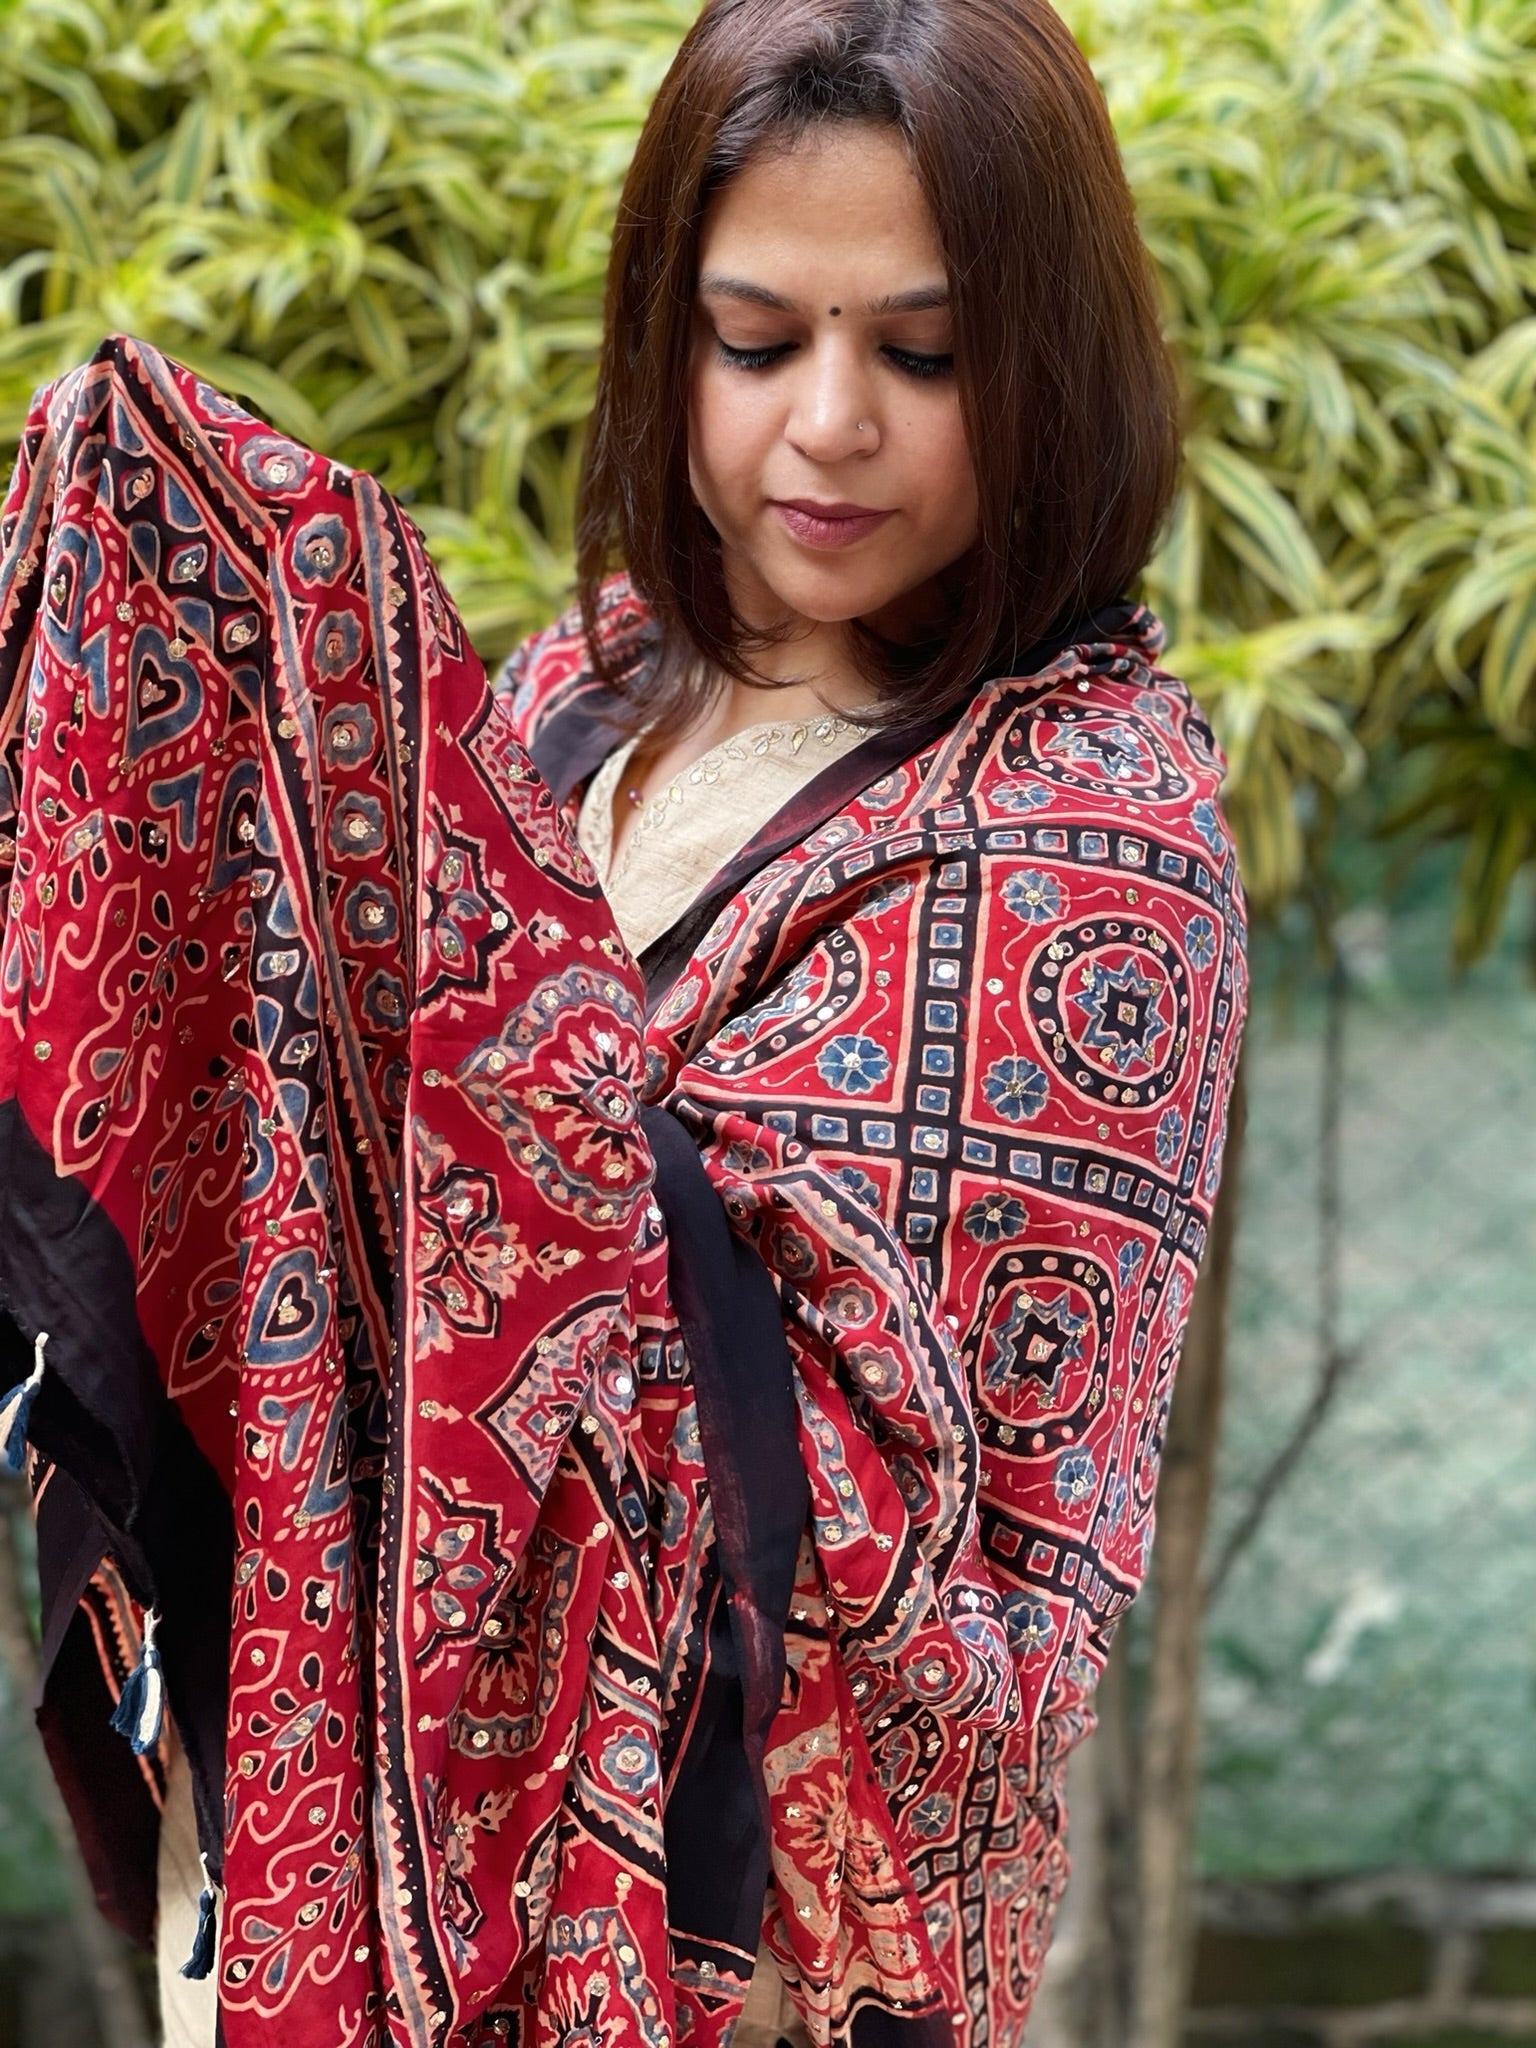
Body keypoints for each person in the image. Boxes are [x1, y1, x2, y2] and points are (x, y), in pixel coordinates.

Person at [0, 2, 1247, 2045]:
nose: (827, 425)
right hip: (330, 1857)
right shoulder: (590, 684)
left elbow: (849, 1540)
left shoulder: (1087, 840)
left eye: (924, 356)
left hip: (736, 1970)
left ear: (1056, 359)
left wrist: (334, 711)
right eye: (755, 341)